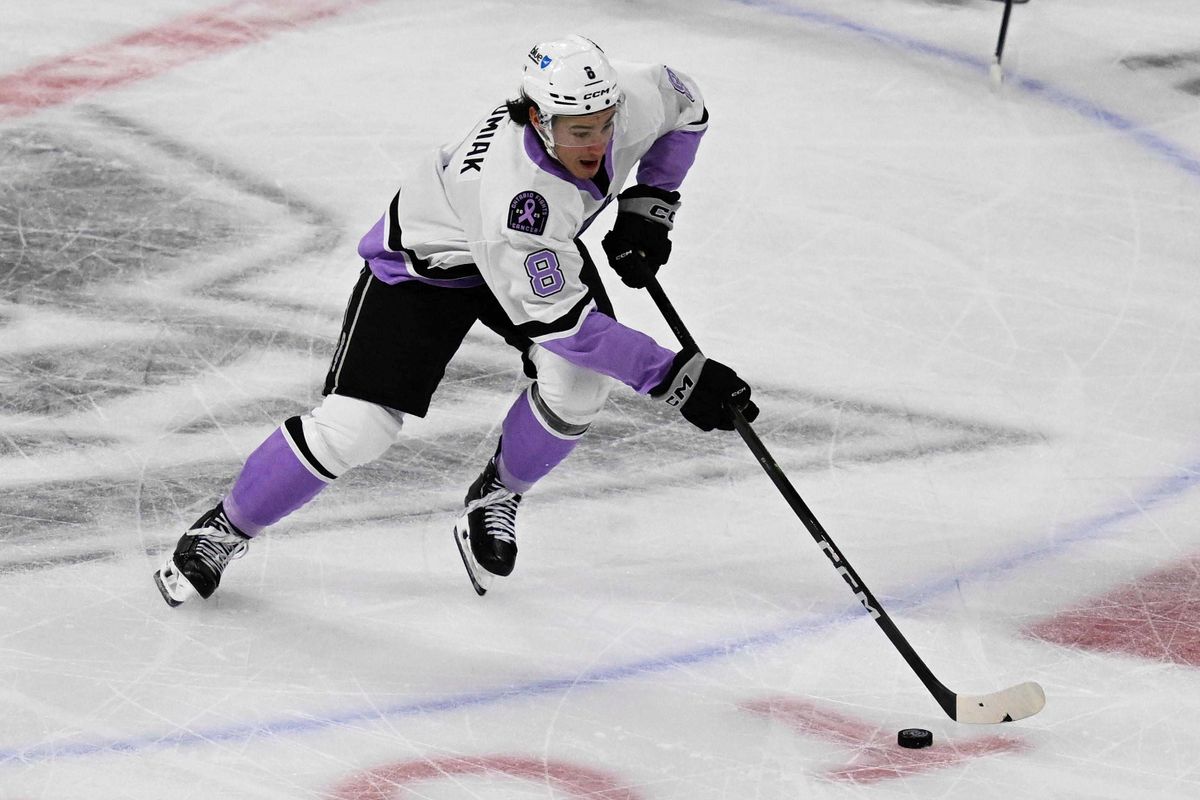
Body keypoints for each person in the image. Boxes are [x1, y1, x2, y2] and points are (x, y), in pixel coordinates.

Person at [153, 34, 758, 605]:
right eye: (579, 131)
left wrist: (652, 205)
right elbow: (568, 329)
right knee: (356, 428)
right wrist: (676, 378)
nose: (597, 143)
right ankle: (226, 527)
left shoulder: (628, 97)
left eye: (604, 125)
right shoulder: (515, 202)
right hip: (427, 271)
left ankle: (495, 495)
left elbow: (689, 105)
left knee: (578, 390)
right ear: (537, 119)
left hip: (537, 254)